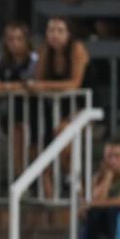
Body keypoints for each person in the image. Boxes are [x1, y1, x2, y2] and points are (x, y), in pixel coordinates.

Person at [29, 17, 90, 199]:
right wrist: (40, 84)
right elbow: (37, 81)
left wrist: (43, 86)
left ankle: (73, 183)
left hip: (82, 105)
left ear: (69, 34)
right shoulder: (45, 51)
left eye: (60, 30)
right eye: (51, 30)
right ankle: (51, 200)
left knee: (64, 135)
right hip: (54, 107)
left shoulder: (77, 49)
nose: (54, 35)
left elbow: (75, 84)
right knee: (41, 150)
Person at [0, 21, 38, 177]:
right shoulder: (0, 60)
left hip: (34, 112)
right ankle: (21, 178)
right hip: (10, 112)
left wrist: (5, 86)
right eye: (10, 39)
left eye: (19, 39)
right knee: (17, 140)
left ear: (26, 40)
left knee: (35, 149)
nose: (14, 43)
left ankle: (35, 182)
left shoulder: (35, 59)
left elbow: (32, 83)